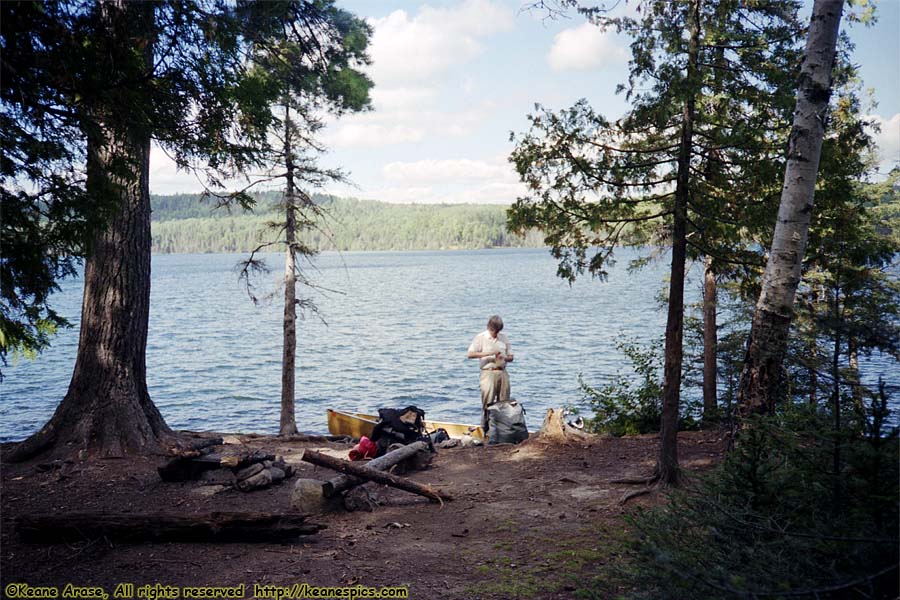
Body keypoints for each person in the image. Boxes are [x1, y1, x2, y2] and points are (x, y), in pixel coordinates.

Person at [467, 315, 514, 435]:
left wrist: (505, 357)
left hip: (502, 372)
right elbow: (470, 354)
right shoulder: (481, 337)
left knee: (504, 402)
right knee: (488, 401)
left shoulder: (504, 338)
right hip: (488, 372)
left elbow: (511, 357)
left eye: (498, 331)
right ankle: (485, 430)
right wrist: (490, 354)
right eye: (494, 331)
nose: (496, 333)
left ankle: (503, 431)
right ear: (490, 328)